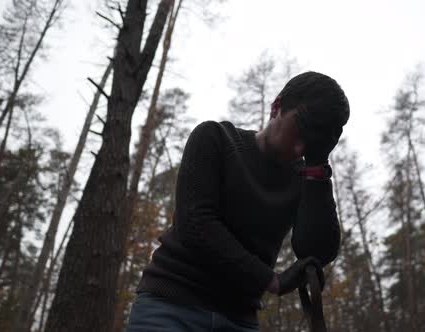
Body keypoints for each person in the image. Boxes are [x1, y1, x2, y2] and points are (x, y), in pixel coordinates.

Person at [126, 71, 350, 331]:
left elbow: (316, 252)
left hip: (240, 320)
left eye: (311, 143)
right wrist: (270, 280)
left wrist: (318, 165)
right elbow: (196, 225)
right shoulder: (215, 139)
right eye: (299, 132)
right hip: (171, 305)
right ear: (277, 106)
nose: (300, 149)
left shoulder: (304, 179)